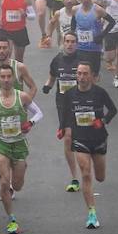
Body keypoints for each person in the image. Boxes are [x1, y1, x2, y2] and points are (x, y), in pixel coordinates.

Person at [0, 63, 44, 234]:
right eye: (3, 77)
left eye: (9, 76)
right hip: (2, 145)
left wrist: (30, 123)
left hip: (19, 144)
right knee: (4, 181)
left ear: (14, 78)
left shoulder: (22, 97)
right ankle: (11, 220)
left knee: (17, 185)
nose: (6, 80)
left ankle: (20, 170)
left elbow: (39, 113)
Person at [62, 60, 118, 229]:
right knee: (86, 174)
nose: (82, 77)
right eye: (79, 73)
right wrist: (62, 128)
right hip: (80, 139)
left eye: (85, 74)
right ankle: (92, 213)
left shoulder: (100, 93)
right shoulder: (70, 94)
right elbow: (65, 113)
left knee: (100, 177)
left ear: (92, 76)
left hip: (99, 139)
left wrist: (103, 121)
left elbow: (113, 110)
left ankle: (92, 208)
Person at [41, 31, 83, 192]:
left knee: (82, 138)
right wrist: (47, 86)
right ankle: (74, 177)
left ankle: (85, 165)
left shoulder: (82, 60)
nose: (70, 44)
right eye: (67, 41)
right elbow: (52, 77)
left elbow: (92, 80)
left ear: (77, 44)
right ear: (63, 43)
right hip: (63, 104)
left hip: (81, 103)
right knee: (68, 138)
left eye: (73, 41)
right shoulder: (57, 60)